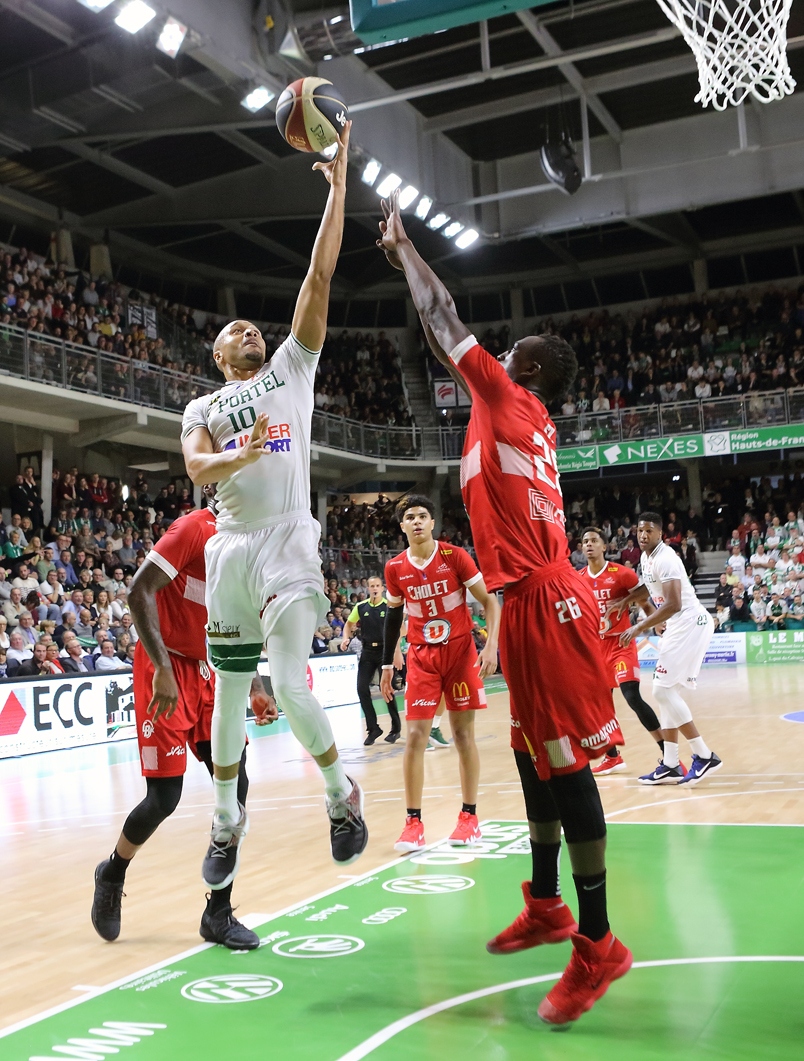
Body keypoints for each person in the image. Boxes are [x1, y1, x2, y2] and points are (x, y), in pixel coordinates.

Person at [377, 190, 630, 1026]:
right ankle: (550, 903)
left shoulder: (509, 402)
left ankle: (597, 943)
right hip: (525, 601)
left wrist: (407, 250)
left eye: (513, 344)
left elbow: (444, 318)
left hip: (545, 602)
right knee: (529, 754)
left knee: (565, 767)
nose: (502, 342)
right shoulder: (516, 415)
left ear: (528, 369)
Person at [180, 122, 367, 889]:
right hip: (230, 546)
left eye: (252, 324)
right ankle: (225, 819)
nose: (248, 329)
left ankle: (338, 796)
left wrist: (338, 189)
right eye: (235, 330)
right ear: (221, 357)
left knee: (288, 681)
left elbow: (319, 277)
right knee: (229, 690)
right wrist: (242, 454)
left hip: (288, 539)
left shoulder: (293, 364)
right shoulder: (202, 403)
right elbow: (195, 467)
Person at [91, 497, 277, 950]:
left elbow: (242, 620)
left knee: (237, 785)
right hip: (165, 666)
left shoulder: (251, 545)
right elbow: (138, 591)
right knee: (164, 798)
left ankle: (218, 911)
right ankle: (112, 870)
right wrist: (162, 668)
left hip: (212, 668)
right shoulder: (195, 528)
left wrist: (256, 682)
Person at [380, 495, 500, 851]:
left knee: (463, 737)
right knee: (415, 736)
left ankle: (469, 818)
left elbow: (490, 601)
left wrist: (491, 646)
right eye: (410, 518)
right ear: (402, 526)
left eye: (422, 516)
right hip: (421, 655)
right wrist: (388, 663)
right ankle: (413, 823)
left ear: (433, 523)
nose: (416, 522)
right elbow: (392, 618)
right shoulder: (395, 568)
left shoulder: (454, 557)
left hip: (461, 651)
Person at [612, 513, 722, 786]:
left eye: (649, 530)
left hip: (689, 622)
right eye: (640, 530)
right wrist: (626, 601)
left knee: (661, 690)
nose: (643, 535)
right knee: (665, 692)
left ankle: (704, 755)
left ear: (661, 533)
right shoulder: (646, 558)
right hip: (678, 625)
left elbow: (673, 604)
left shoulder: (667, 558)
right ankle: (671, 764)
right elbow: (648, 591)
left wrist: (639, 628)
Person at [579, 527, 666, 775]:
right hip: (595, 648)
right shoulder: (579, 578)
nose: (589, 545)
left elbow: (644, 596)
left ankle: (668, 754)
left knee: (632, 697)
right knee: (598, 705)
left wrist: (652, 618)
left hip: (621, 644)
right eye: (585, 541)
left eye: (594, 541)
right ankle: (613, 756)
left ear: (605, 547)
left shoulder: (621, 574)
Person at [340, 575, 402, 745]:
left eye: (377, 585)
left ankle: (395, 728)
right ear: (367, 589)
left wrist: (397, 651)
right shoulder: (360, 607)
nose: (374, 588)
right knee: (361, 688)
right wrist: (346, 638)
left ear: (382, 588)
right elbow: (348, 625)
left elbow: (399, 629)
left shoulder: (389, 606)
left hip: (385, 650)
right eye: (371, 586)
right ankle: (373, 728)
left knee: (387, 689)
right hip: (367, 650)